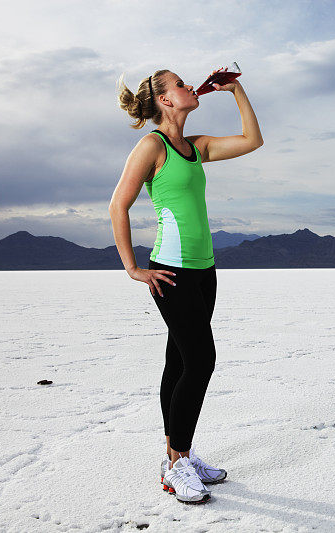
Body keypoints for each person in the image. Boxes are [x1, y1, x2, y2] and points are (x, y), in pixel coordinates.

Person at [108, 66, 263, 504]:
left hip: (204, 269)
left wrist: (235, 89)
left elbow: (253, 140)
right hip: (170, 271)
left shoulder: (195, 147)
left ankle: (179, 456)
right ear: (165, 100)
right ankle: (177, 465)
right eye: (178, 83)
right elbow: (118, 205)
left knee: (178, 362)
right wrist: (133, 268)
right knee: (201, 361)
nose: (188, 85)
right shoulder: (151, 146)